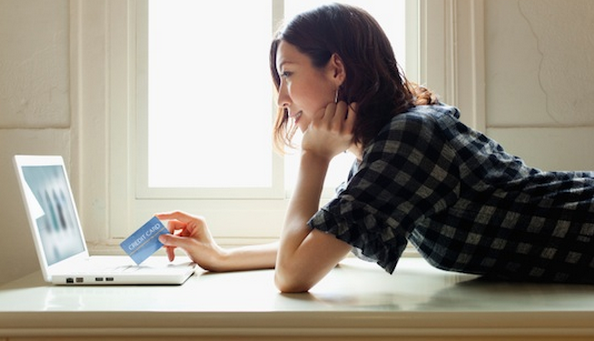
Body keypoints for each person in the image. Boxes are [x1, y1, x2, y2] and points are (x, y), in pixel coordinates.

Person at [157, 3, 594, 292]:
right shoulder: (386, 148)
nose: (282, 97)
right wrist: (220, 255)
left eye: (287, 73)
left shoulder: (410, 140)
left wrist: (314, 157)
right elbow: (326, 245)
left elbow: (294, 275)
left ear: (336, 68)